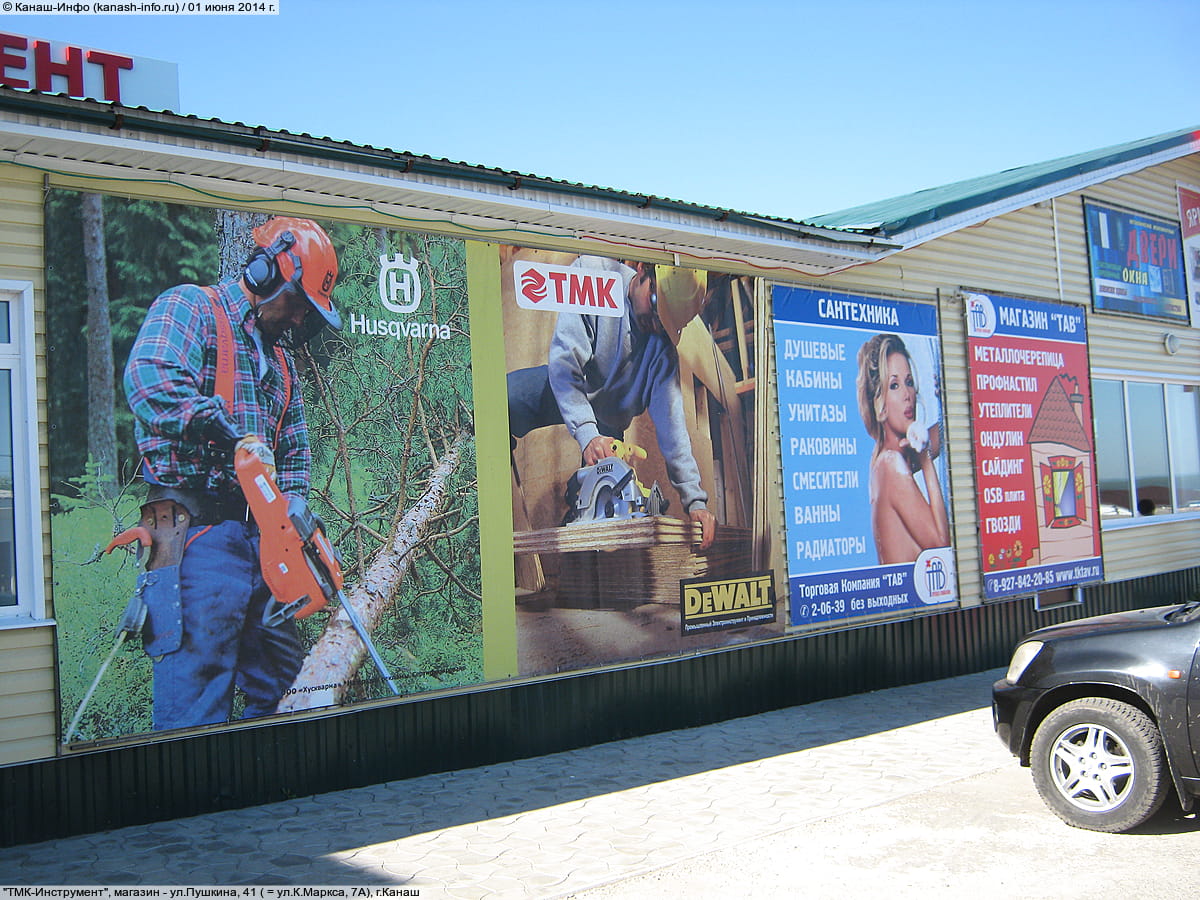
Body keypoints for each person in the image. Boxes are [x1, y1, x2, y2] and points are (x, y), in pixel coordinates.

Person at [123, 216, 341, 731]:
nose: (296, 322)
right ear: (266, 274)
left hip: (265, 544)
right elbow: (149, 379)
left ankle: (275, 805)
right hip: (196, 536)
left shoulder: (281, 364)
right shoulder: (191, 308)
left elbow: (295, 449)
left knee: (286, 689)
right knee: (195, 702)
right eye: (297, 304)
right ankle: (190, 808)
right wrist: (215, 424)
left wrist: (293, 513)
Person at [508, 256, 717, 550]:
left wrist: (695, 500)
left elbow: (674, 432)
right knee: (505, 397)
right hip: (570, 388)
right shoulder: (594, 273)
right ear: (644, 269)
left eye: (664, 321)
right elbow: (565, 367)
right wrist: (587, 434)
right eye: (653, 303)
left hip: (610, 419)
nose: (654, 323)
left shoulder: (662, 348)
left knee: (603, 517)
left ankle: (576, 514)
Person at [855, 333, 949, 565]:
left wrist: (949, 400)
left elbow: (947, 434)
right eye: (894, 385)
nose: (908, 395)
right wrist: (925, 460)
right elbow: (940, 545)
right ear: (880, 406)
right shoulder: (890, 465)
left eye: (909, 382)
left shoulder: (889, 456)